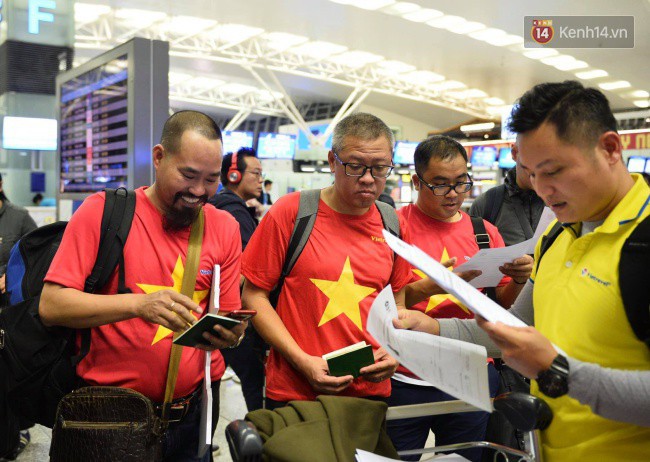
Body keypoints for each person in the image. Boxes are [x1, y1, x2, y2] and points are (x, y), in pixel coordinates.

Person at [394, 81, 650, 461]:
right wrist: (434, 327)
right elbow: (512, 330)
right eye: (530, 173)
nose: (543, 189)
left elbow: (546, 362)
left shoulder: (642, 243)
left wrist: (557, 371)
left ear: (611, 149)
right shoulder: (556, 236)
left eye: (554, 170)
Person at [39, 110, 247, 462]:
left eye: (212, 179)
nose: (199, 191)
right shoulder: (102, 213)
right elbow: (52, 305)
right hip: (109, 419)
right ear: (158, 157)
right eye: (188, 175)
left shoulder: (225, 227)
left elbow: (226, 315)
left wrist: (233, 333)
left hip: (194, 416)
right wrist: (138, 305)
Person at [241, 112, 412, 409]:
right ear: (333, 162)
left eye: (380, 168)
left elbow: (397, 302)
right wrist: (301, 360)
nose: (369, 179)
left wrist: (394, 349)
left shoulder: (392, 224)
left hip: (369, 395)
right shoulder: (292, 213)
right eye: (356, 166)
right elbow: (254, 295)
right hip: (297, 394)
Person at [388, 136, 533, 462]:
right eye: (440, 185)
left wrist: (520, 278)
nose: (453, 194)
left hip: (471, 374)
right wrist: (430, 286)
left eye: (460, 183)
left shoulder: (484, 232)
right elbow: (383, 300)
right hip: (406, 377)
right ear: (416, 181)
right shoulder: (396, 228)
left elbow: (500, 306)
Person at [208, 147, 266, 412]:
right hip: (232, 314)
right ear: (233, 175)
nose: (260, 180)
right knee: (255, 380)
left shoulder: (219, 207)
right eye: (255, 173)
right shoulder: (235, 214)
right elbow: (250, 268)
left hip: (213, 310)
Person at [0, 173, 37, 461]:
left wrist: (9, 276)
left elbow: (38, 257)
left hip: (8, 311)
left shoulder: (19, 217)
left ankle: (12, 434)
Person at [469, 143, 546, 246]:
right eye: (534, 159)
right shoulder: (486, 204)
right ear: (515, 152)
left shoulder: (564, 201)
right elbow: (470, 254)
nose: (542, 170)